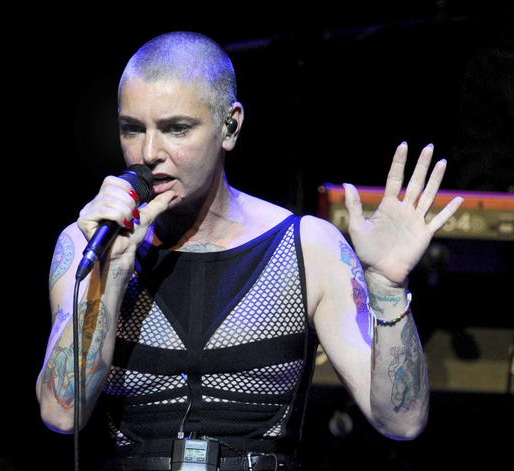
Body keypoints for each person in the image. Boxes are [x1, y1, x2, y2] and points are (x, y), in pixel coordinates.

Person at [36, 31, 463, 470]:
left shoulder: (309, 247)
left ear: (230, 126)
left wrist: (387, 288)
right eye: (132, 129)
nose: (148, 153)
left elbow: (401, 421)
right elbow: (62, 414)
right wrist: (113, 272)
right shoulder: (88, 243)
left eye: (176, 129)